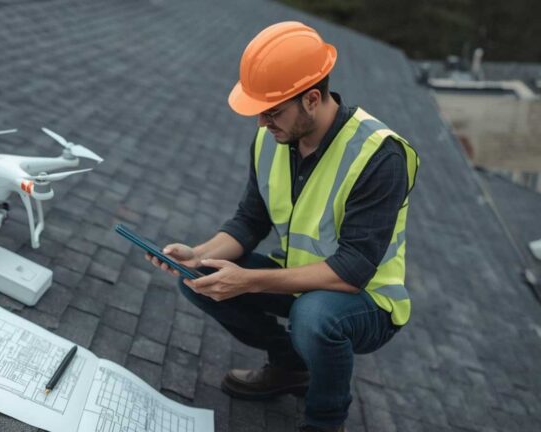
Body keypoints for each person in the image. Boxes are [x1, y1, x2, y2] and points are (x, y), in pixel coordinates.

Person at [146, 21, 419, 432]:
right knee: (198, 278)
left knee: (314, 316)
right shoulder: (271, 141)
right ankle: (291, 367)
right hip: (301, 281)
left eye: (271, 111)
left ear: (312, 99)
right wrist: (198, 255)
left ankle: (326, 420)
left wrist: (249, 281)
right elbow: (249, 221)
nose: (261, 123)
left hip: (366, 300)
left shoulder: (379, 156)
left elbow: (353, 270)